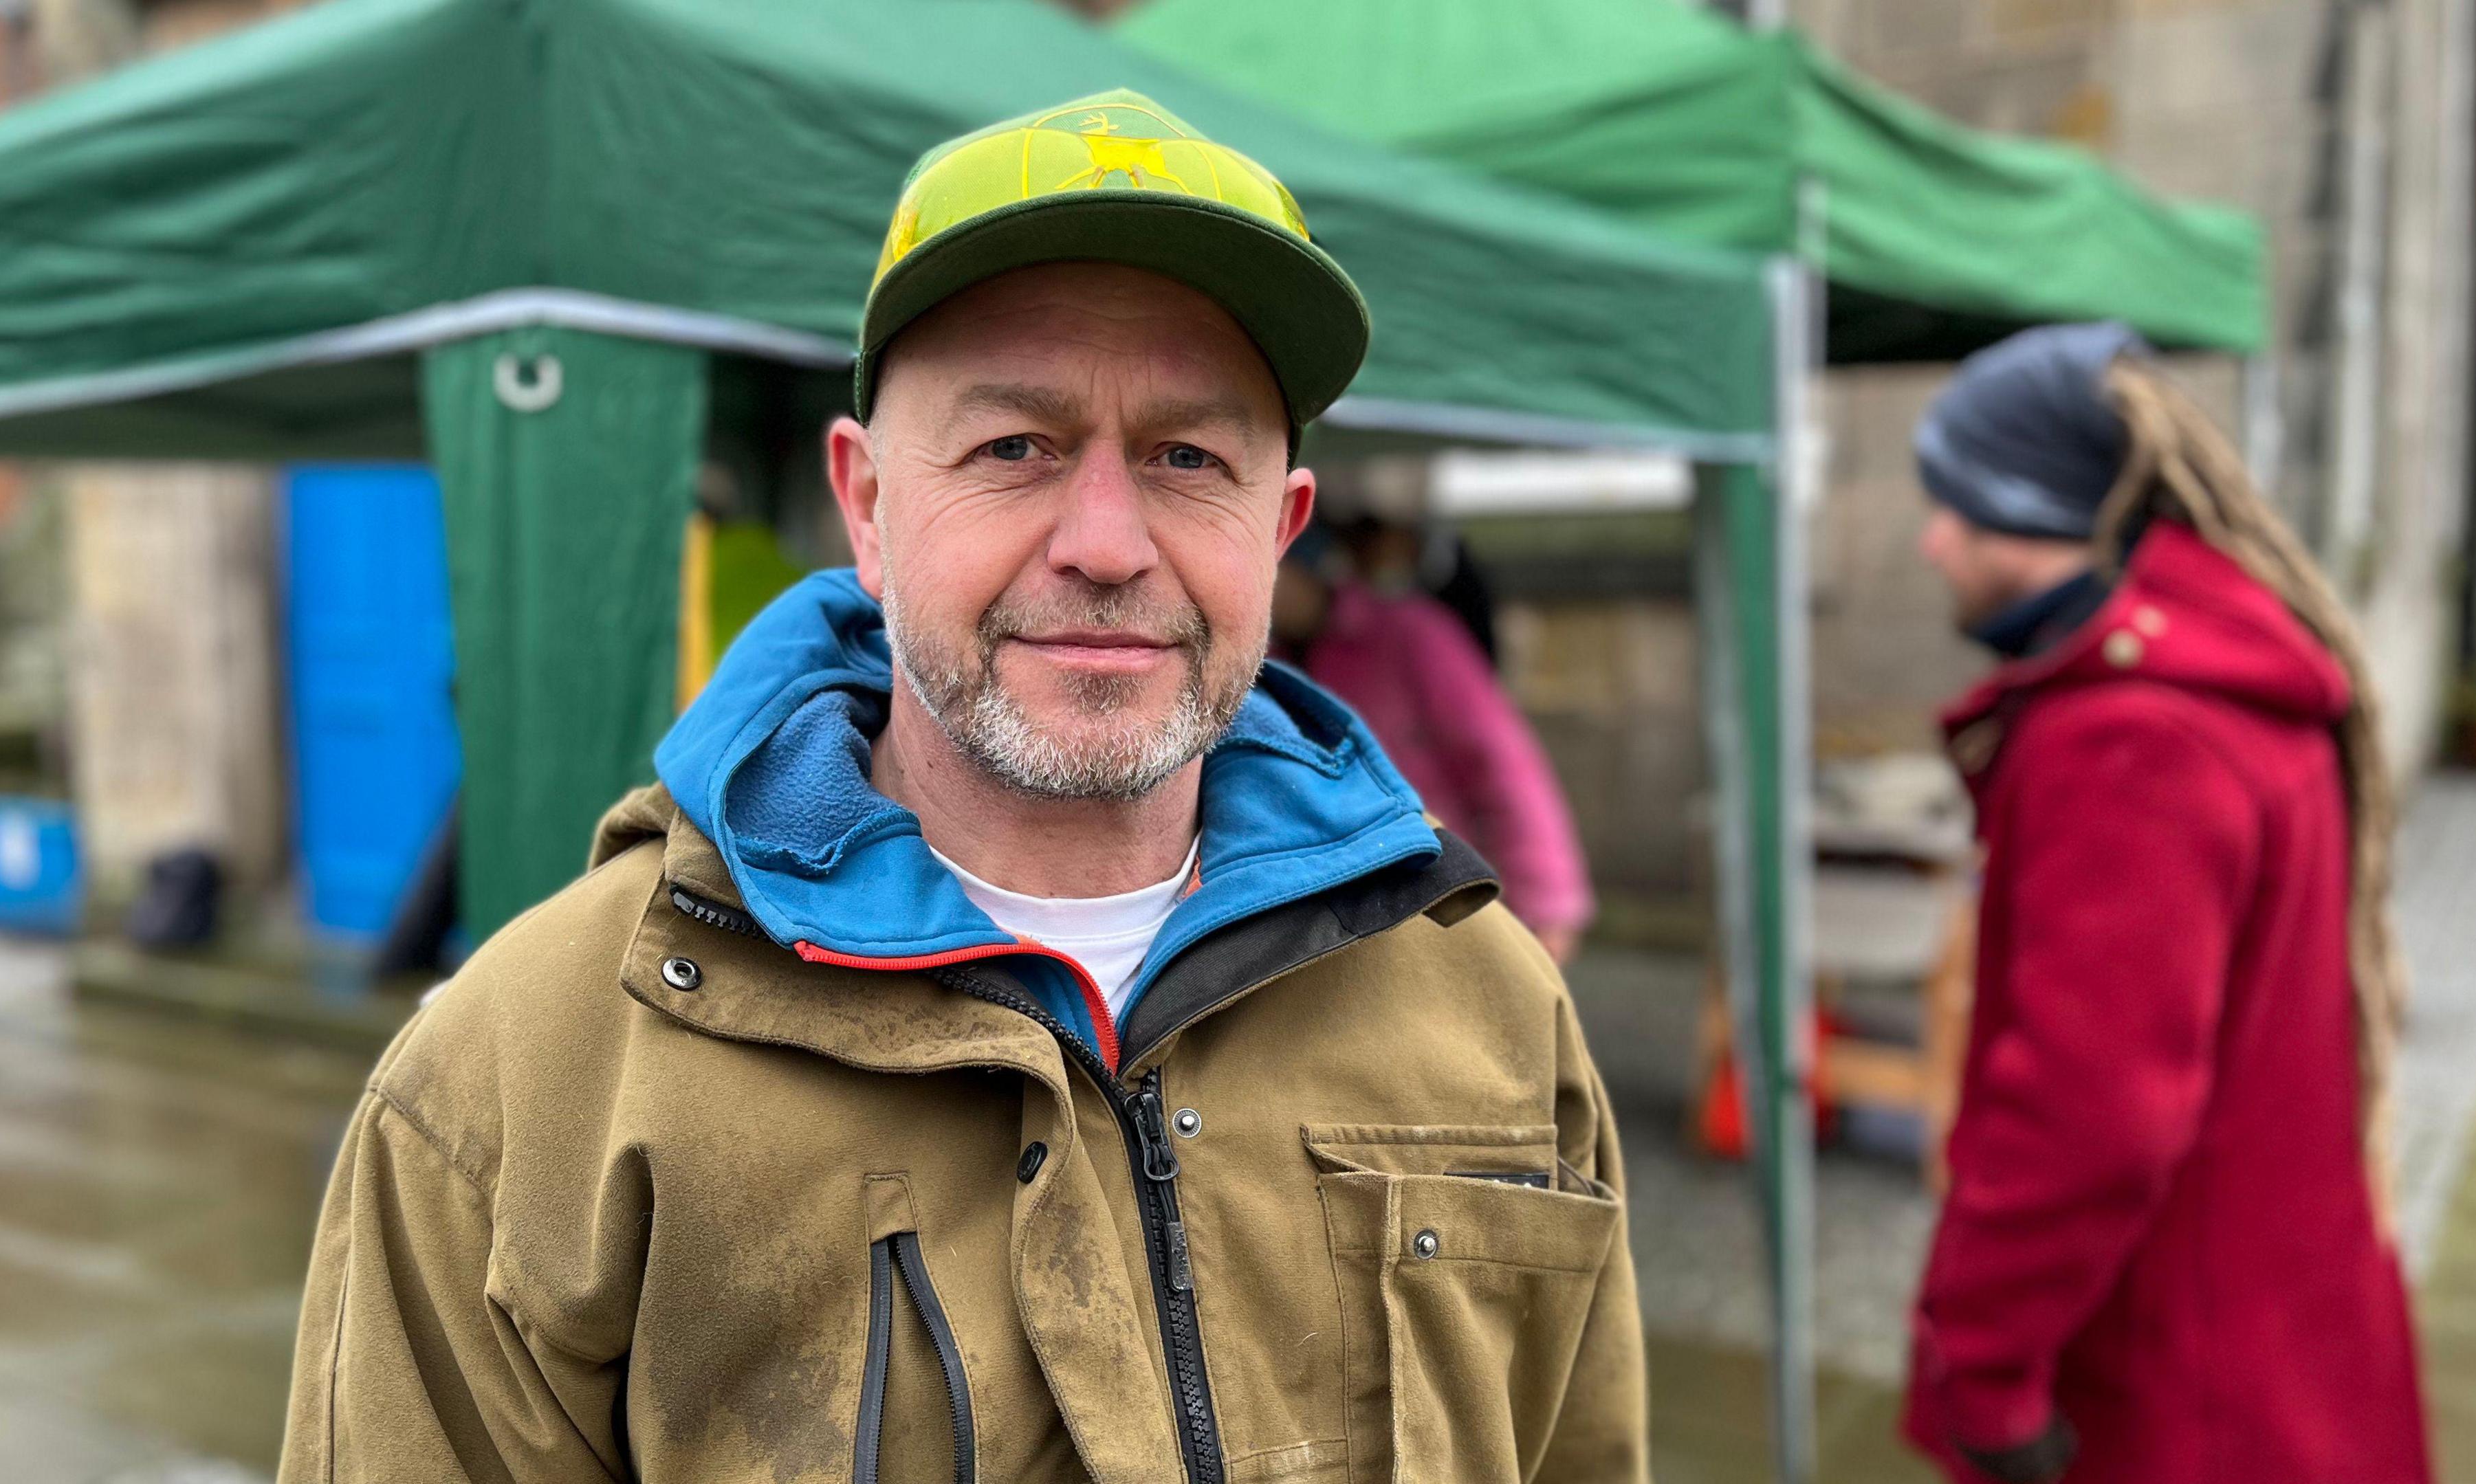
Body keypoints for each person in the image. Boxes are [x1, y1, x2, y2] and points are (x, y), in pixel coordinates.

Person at [281, 91, 1643, 1484]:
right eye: (1015, 448)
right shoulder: (525, 1077)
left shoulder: (1486, 1003)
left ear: (1281, 526)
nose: (1109, 543)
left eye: (1190, 456)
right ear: (867, 506)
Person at [1901, 322, 2433, 1483]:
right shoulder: (2229, 679)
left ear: (2031, 509)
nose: (1932, 541)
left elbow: (2091, 1107)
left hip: (2174, 1386)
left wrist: (1980, 1368)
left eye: (1955, 506)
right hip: (2283, 1332)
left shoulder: (2129, 737)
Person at [1273, 523, 1596, 961]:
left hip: (1435, 896)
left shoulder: (1411, 633)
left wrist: (1547, 899)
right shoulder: (1259, 659)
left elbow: (1502, 760)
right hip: (1315, 918)